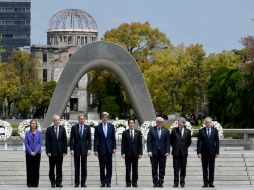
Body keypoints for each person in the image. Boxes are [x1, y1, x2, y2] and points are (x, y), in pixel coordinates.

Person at [94, 112, 116, 187]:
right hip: (101, 149)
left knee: (109, 166)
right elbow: (96, 139)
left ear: (108, 118)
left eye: (106, 117)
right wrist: (95, 150)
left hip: (109, 149)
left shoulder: (111, 126)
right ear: (101, 118)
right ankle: (103, 182)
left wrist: (114, 148)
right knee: (102, 166)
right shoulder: (98, 127)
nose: (104, 118)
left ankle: (108, 181)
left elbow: (113, 138)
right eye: (103, 117)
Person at [147, 117, 170, 188]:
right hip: (153, 152)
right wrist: (149, 151)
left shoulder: (166, 130)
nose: (160, 123)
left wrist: (167, 151)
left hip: (163, 152)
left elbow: (168, 142)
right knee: (154, 168)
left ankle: (161, 182)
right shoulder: (151, 130)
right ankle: (155, 182)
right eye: (158, 122)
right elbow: (149, 141)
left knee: (162, 168)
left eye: (161, 122)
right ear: (156, 122)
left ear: (163, 123)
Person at [70, 114, 92, 187]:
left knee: (84, 167)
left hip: (84, 149)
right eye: (80, 119)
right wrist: (71, 149)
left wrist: (89, 149)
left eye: (83, 119)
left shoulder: (87, 127)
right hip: (76, 149)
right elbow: (71, 139)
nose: (81, 120)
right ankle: (76, 183)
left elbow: (89, 139)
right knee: (76, 167)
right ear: (78, 119)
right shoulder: (74, 127)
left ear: (84, 120)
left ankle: (83, 182)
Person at [45, 114, 67, 188]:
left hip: (60, 152)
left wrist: (65, 151)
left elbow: (65, 141)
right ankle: (53, 182)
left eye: (58, 120)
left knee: (59, 168)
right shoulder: (49, 129)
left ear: (59, 121)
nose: (57, 121)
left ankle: (59, 182)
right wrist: (48, 151)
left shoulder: (62, 129)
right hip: (52, 152)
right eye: (55, 120)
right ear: (53, 121)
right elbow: (47, 142)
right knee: (52, 168)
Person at [197, 117, 219, 188]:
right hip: (204, 152)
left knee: (212, 168)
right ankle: (205, 182)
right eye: (207, 122)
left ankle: (211, 182)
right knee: (205, 168)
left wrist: (217, 152)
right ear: (205, 123)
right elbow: (199, 142)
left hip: (212, 152)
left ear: (211, 123)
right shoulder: (201, 131)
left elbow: (217, 142)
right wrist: (198, 152)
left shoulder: (215, 130)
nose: (208, 124)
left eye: (209, 122)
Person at [170, 117, 192, 188]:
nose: (179, 123)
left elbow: (189, 142)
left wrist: (184, 147)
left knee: (183, 168)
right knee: (176, 168)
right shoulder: (174, 130)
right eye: (178, 122)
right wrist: (176, 147)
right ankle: (176, 182)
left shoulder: (188, 131)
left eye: (180, 122)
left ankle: (182, 182)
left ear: (184, 123)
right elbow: (171, 141)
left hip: (184, 153)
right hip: (176, 153)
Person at [121, 119, 143, 187]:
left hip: (135, 153)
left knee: (135, 169)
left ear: (134, 124)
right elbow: (123, 144)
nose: (131, 124)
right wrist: (123, 152)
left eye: (132, 123)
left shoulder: (138, 132)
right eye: (130, 123)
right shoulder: (125, 132)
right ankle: (128, 183)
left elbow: (140, 143)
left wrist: (140, 153)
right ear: (128, 124)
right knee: (128, 169)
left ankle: (134, 182)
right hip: (127, 154)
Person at [24, 119, 42, 188]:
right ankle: (29, 183)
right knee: (29, 169)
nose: (33, 125)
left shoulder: (39, 133)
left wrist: (35, 151)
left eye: (34, 123)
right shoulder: (27, 133)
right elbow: (26, 143)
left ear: (36, 125)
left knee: (36, 169)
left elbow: (40, 143)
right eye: (32, 123)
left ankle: (35, 184)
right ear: (30, 124)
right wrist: (30, 152)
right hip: (29, 154)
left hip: (37, 154)